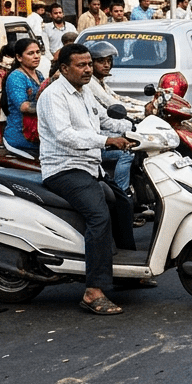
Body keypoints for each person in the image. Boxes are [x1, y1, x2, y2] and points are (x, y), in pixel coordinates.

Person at [38, 43, 137, 316]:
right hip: (64, 169)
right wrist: (108, 141)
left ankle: (125, 274)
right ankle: (93, 291)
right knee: (99, 216)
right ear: (64, 68)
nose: (87, 69)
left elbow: (106, 120)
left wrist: (139, 123)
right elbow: (65, 135)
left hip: (89, 167)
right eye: (81, 65)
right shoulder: (53, 96)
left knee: (124, 203)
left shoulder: (84, 93)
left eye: (89, 64)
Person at [85, 41, 155, 193]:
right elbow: (110, 104)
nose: (106, 65)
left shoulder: (100, 82)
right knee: (130, 150)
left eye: (109, 61)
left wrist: (145, 105)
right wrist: (142, 113)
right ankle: (122, 192)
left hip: (103, 126)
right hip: (94, 135)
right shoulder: (89, 83)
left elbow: (118, 99)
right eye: (101, 61)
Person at [4, 38, 44, 156]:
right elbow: (24, 106)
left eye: (38, 52)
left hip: (36, 137)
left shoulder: (39, 74)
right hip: (20, 140)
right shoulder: (16, 77)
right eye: (30, 53)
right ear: (19, 57)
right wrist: (49, 106)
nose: (36, 56)